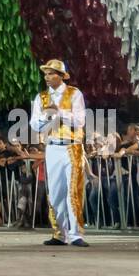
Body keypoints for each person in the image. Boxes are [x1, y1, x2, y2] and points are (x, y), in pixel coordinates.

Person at [30, 59, 88, 247]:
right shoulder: (41, 97)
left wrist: (59, 112)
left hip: (72, 146)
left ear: (61, 76)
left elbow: (79, 121)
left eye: (52, 73)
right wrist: (47, 117)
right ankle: (59, 233)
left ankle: (75, 234)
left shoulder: (74, 93)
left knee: (73, 190)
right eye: (46, 74)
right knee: (55, 192)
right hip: (52, 147)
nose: (47, 77)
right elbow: (34, 124)